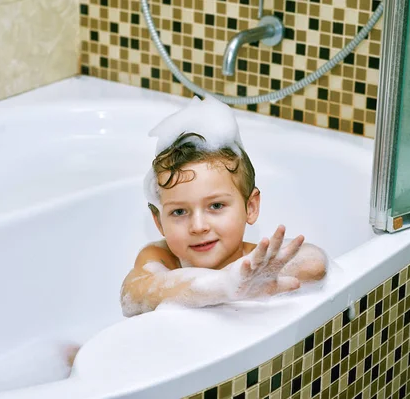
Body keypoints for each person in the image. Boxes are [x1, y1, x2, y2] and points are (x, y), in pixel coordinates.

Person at [119, 96, 328, 317]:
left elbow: (314, 264)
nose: (198, 227)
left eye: (216, 206)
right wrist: (222, 285)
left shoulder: (255, 262)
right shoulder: (162, 257)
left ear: (251, 207)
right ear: (159, 222)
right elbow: (133, 294)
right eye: (179, 211)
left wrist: (244, 278)